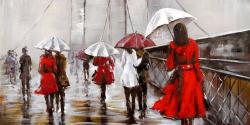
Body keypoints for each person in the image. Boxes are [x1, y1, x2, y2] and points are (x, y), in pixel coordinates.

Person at [152, 23, 205, 125]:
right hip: (191, 77)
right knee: (191, 104)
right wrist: (199, 78)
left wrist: (173, 52)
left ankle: (184, 122)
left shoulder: (172, 45)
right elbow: (196, 63)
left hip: (180, 78)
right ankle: (190, 122)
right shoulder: (193, 43)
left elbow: (170, 65)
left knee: (181, 104)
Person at [35, 50, 58, 115]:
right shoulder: (52, 59)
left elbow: (40, 71)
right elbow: (55, 70)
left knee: (46, 92)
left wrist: (43, 72)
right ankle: (52, 105)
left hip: (44, 77)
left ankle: (47, 106)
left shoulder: (42, 59)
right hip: (51, 77)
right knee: (52, 92)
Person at [120, 48, 141, 118]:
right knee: (133, 95)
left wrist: (125, 67)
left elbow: (122, 64)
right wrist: (139, 60)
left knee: (127, 95)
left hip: (126, 73)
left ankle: (129, 109)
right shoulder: (134, 51)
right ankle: (132, 109)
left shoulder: (124, 52)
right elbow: (136, 64)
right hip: (133, 73)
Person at [136, 49, 150, 118]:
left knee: (139, 93)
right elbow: (147, 69)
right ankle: (144, 105)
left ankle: (140, 106)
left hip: (139, 79)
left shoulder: (139, 61)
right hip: (144, 79)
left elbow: (137, 69)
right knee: (144, 93)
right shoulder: (147, 62)